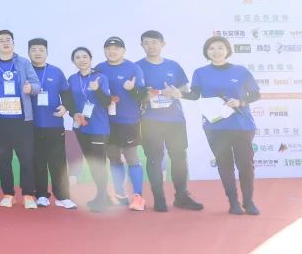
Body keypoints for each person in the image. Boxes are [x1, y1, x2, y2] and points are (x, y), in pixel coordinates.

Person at [183, 36, 261, 215]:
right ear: (206, 52)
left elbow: (256, 94)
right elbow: (194, 95)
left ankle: (248, 202)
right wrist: (179, 94)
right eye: (211, 48)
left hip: (241, 125)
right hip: (215, 127)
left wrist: (240, 102)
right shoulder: (200, 72)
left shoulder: (241, 71)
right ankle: (233, 202)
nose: (216, 51)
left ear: (227, 50)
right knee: (224, 165)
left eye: (220, 47)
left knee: (245, 164)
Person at [137, 30, 204, 212]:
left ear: (163, 44)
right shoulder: (136, 67)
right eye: (146, 43)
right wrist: (145, 94)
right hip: (150, 120)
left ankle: (182, 196)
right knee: (154, 159)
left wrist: (176, 92)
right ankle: (159, 199)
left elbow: (185, 91)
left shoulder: (174, 66)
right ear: (142, 45)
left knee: (179, 157)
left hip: (175, 119)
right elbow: (133, 95)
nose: (151, 46)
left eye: (154, 42)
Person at [0, 30, 41, 209]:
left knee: (26, 158)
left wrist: (31, 88)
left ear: (13, 42)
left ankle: (28, 195)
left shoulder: (23, 63)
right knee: (3, 159)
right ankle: (8, 194)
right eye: (1, 40)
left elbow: (37, 85)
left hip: (22, 120)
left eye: (8, 40)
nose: (5, 43)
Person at [95, 37, 148, 211]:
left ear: (123, 51)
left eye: (117, 48)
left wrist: (132, 89)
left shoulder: (133, 68)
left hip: (128, 121)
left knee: (132, 158)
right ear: (104, 51)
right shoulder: (99, 68)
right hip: (107, 122)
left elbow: (143, 95)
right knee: (114, 158)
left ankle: (138, 196)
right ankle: (120, 193)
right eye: (108, 48)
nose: (112, 51)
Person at [27, 38, 76, 209]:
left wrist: (65, 107)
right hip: (32, 125)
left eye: (41, 50)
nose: (37, 53)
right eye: (34, 50)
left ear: (47, 53)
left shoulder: (56, 72)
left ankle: (63, 197)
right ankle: (41, 195)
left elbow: (67, 94)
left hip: (54, 124)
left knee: (58, 163)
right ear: (28, 53)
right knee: (38, 162)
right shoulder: (25, 72)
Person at [66, 47, 113, 212]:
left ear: (91, 59)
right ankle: (103, 196)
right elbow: (70, 102)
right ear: (74, 61)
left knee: (99, 163)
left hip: (99, 127)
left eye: (85, 56)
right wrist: (73, 113)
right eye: (77, 57)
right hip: (81, 128)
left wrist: (97, 89)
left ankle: (101, 198)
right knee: (92, 163)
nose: (82, 60)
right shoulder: (72, 79)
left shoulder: (101, 78)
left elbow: (107, 102)